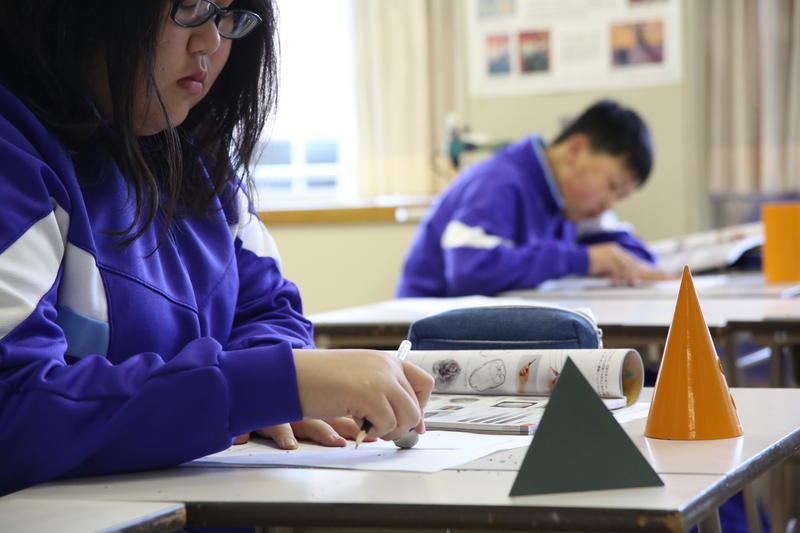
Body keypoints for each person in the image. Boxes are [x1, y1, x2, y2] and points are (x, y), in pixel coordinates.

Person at [0, 0, 433, 496]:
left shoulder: (200, 158)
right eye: (188, 6)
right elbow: (14, 405)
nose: (211, 40)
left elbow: (270, 308)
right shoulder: (15, 153)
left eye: (228, 15)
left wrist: (264, 389)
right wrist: (261, 385)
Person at [396, 99, 670, 298]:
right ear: (576, 150)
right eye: (612, 186)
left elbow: (624, 253)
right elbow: (470, 271)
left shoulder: (569, 202)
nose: (609, 205)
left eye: (620, 196)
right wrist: (584, 259)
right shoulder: (498, 182)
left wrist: (629, 263)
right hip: (424, 341)